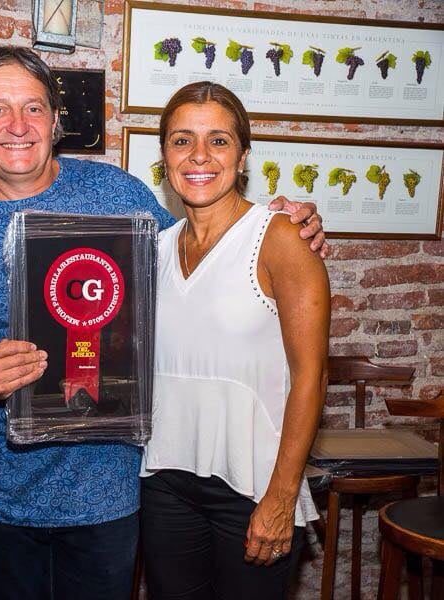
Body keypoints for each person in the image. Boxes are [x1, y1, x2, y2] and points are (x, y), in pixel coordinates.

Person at [0, 46, 326, 599]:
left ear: (56, 120)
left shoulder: (121, 195)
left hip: (111, 500)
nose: (18, 126)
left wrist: (289, 223)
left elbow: (211, 247)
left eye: (34, 108)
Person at [139, 81, 331, 600]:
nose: (199, 155)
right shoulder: (152, 249)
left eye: (218, 141)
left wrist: (282, 496)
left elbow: (312, 377)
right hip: (163, 482)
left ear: (242, 156)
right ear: (164, 156)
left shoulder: (282, 237)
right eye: (182, 141)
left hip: (253, 489)